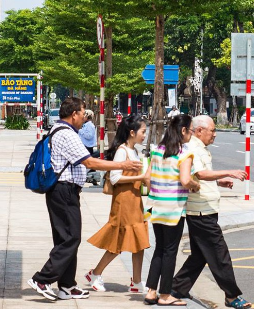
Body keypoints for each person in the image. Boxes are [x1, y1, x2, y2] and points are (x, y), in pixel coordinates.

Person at [27, 97, 141, 301]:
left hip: (63, 191)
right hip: (64, 191)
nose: (85, 117)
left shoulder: (59, 130)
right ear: (74, 115)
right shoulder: (67, 134)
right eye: (83, 113)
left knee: (66, 238)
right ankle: (42, 279)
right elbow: (89, 162)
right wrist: (122, 166)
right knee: (71, 238)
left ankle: (67, 286)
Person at [171, 115, 251, 309]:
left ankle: (177, 288)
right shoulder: (192, 148)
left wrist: (218, 181)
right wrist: (229, 172)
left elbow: (202, 176)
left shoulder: (199, 148)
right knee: (219, 253)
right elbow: (200, 174)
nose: (214, 134)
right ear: (199, 131)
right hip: (201, 212)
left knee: (200, 255)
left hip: (205, 209)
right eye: (212, 130)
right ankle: (232, 296)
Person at [84, 114, 151, 294]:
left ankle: (136, 282)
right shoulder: (122, 151)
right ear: (132, 132)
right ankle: (95, 273)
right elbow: (115, 178)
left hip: (135, 202)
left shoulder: (135, 151)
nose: (145, 135)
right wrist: (141, 177)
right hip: (123, 203)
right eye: (143, 132)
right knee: (118, 243)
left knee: (140, 242)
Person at [144, 114, 199, 306]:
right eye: (191, 130)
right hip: (174, 208)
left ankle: (151, 291)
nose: (191, 134)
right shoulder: (184, 153)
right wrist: (195, 185)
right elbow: (185, 180)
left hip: (156, 206)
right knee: (170, 251)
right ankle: (165, 294)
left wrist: (159, 190)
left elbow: (147, 178)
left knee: (159, 248)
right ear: (183, 130)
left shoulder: (158, 150)